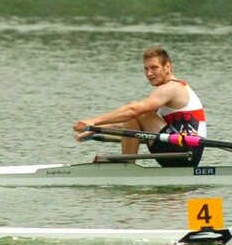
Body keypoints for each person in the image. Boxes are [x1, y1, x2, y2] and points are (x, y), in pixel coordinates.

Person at [73, 46, 207, 167]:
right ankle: (127, 163)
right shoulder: (171, 90)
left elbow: (134, 111)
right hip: (184, 152)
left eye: (154, 68)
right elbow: (130, 123)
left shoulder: (171, 88)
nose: (149, 73)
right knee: (136, 114)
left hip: (186, 152)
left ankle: (127, 164)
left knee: (137, 110)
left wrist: (93, 121)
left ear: (167, 67)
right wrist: (97, 129)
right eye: (146, 69)